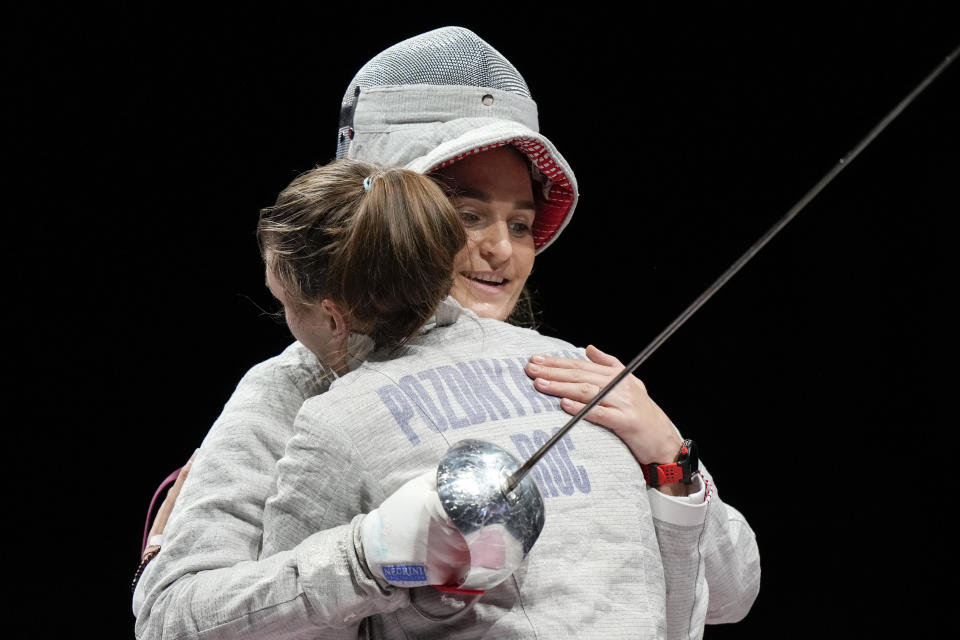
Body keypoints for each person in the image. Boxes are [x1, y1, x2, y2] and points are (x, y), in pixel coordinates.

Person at [133, 27, 759, 639]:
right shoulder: (295, 392)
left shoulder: (573, 378)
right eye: (466, 216)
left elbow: (728, 598)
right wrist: (377, 555)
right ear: (391, 217)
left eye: (520, 224)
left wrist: (670, 461)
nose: (500, 251)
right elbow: (178, 618)